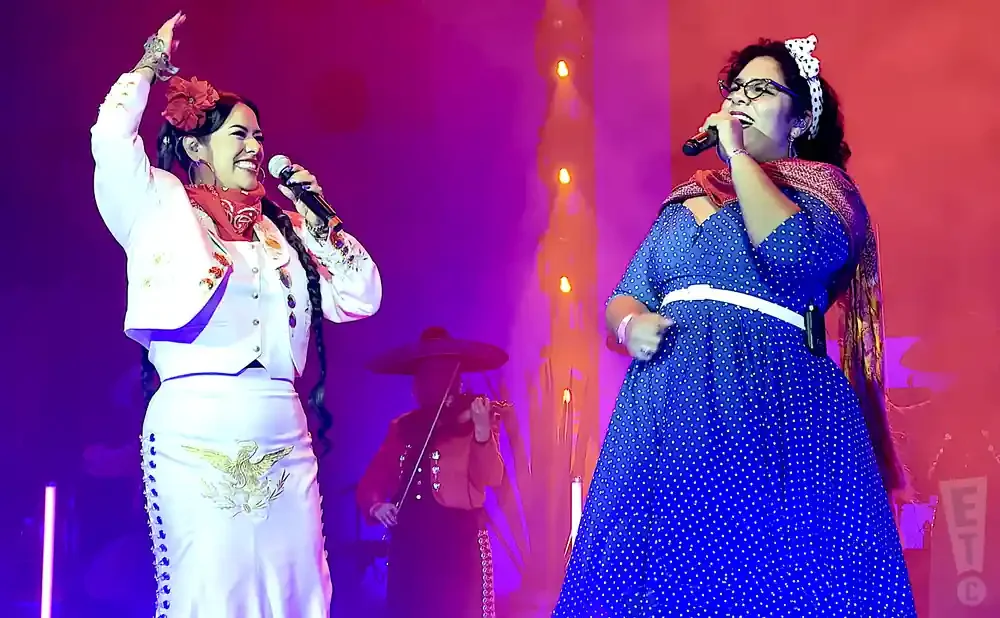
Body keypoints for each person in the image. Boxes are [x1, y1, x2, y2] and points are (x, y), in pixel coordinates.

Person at [553, 35, 916, 616]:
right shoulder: (684, 202)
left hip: (769, 401)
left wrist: (740, 159)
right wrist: (629, 325)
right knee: (658, 580)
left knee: (763, 574)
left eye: (762, 89)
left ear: (799, 120)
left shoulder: (823, 192)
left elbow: (793, 252)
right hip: (667, 410)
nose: (741, 99)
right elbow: (625, 295)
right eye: (736, 88)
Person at [91, 12, 382, 617]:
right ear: (196, 147)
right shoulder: (158, 205)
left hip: (281, 430)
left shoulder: (282, 232)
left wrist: (319, 217)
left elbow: (362, 296)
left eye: (259, 137)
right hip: (195, 428)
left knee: (298, 591)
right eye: (239, 136)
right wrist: (149, 65)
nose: (255, 148)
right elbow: (111, 140)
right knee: (211, 590)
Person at [356, 327, 507, 618]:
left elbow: (490, 477)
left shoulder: (474, 421)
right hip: (411, 542)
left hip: (458, 541)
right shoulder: (403, 427)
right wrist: (376, 505)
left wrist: (481, 433)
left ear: (456, 380)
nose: (435, 383)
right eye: (427, 376)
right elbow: (373, 480)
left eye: (443, 374)